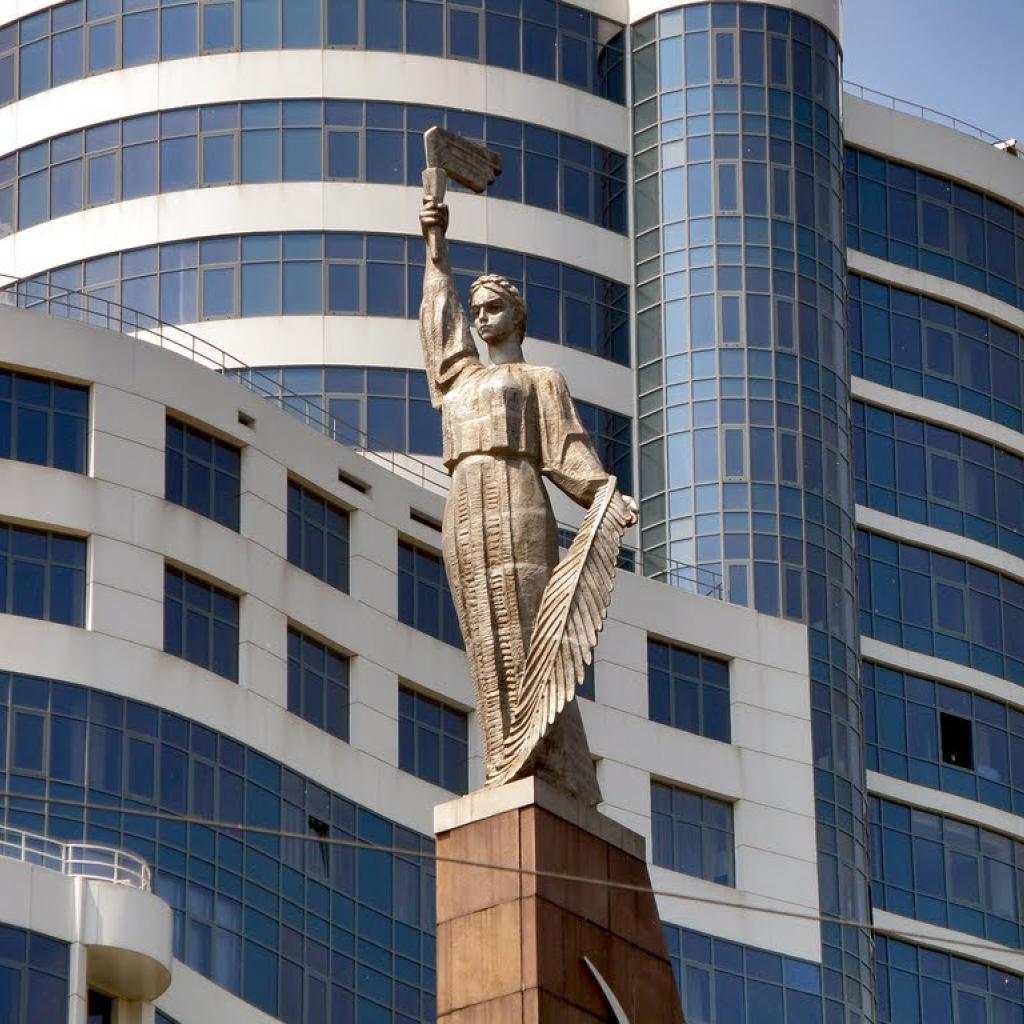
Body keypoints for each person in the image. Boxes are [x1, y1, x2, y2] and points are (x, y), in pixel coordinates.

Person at [418, 196, 638, 806]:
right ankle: (505, 759)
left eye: (493, 309)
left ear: (517, 318)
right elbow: (440, 329)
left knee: (528, 628)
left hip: (518, 497)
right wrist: (437, 250)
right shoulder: (458, 379)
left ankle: (550, 761)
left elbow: (566, 449)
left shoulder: (540, 380)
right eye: (477, 312)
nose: (481, 319)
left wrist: (603, 494)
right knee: (483, 633)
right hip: (464, 506)